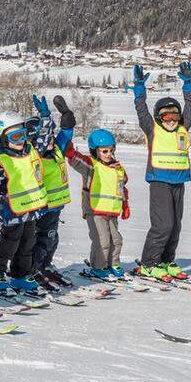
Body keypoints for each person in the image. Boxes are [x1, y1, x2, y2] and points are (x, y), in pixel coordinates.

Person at [0, 112, 53, 294]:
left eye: (24, 134)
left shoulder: (30, 150)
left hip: (31, 208)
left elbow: (45, 137)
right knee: (9, 244)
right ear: (2, 138)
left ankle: (20, 275)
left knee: (28, 243)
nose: (22, 139)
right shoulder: (0, 160)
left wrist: (45, 118)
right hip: (12, 211)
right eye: (16, 136)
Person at [130, 62, 191, 282]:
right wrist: (139, 88)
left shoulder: (183, 127)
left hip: (179, 181)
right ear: (158, 117)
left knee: (176, 225)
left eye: (174, 115)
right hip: (159, 180)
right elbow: (141, 108)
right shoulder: (152, 128)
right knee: (163, 225)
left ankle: (166, 261)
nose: (171, 119)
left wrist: (188, 83)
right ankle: (149, 264)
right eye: (165, 115)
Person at [55, 96, 130, 280]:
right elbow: (74, 158)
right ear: (95, 150)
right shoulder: (91, 166)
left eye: (111, 150)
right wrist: (69, 146)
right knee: (102, 241)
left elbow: (122, 187)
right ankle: (99, 267)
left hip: (112, 211)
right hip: (94, 210)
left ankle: (113, 264)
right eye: (104, 151)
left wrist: (125, 205)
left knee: (117, 240)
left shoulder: (117, 168)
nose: (108, 154)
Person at [26, 95, 74, 289]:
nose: (50, 140)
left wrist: (66, 115)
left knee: (52, 238)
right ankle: (33, 268)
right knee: (39, 240)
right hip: (41, 205)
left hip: (56, 205)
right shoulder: (33, 154)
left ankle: (45, 265)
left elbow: (67, 131)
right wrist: (45, 116)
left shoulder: (56, 150)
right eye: (45, 137)